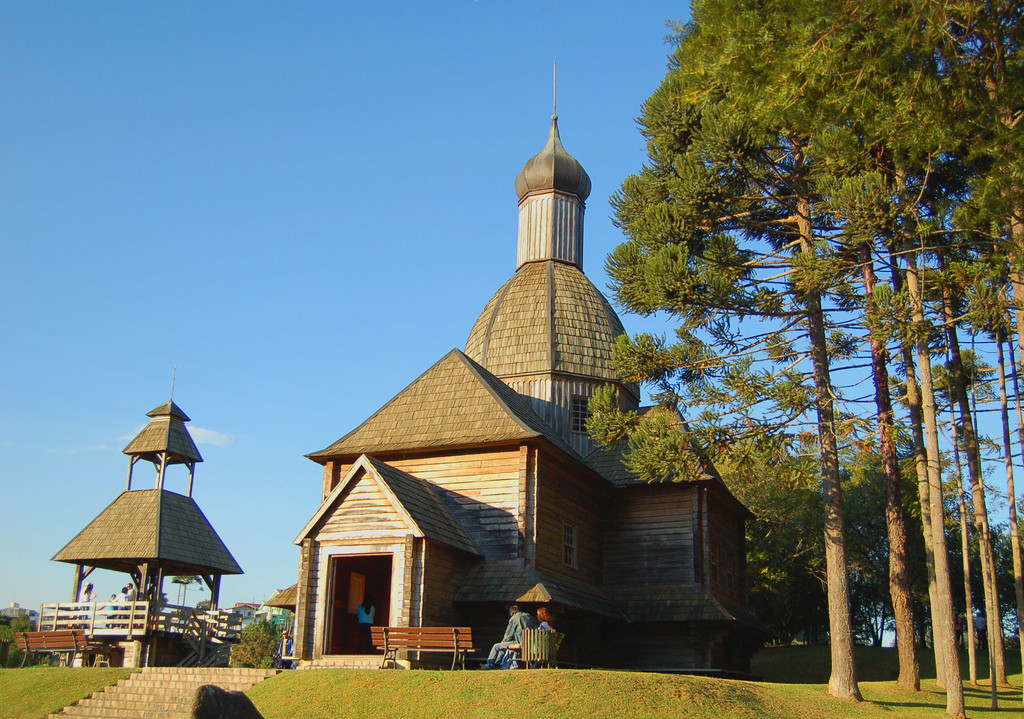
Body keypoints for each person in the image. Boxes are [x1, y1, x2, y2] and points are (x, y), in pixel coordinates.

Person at [481, 604, 536, 669]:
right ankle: (496, 664)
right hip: (530, 643)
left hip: (520, 643)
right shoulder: (528, 616)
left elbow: (508, 635)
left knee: (496, 646)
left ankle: (489, 665)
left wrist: (503, 641)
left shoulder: (514, 618)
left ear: (512, 613)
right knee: (502, 646)